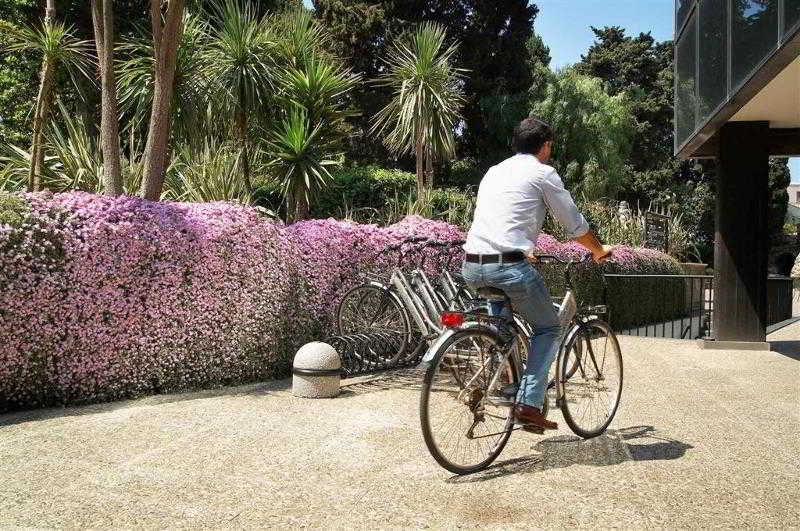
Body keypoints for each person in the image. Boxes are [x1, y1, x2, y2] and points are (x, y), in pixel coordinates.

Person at [462, 116, 612, 431]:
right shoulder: (543, 173)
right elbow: (574, 224)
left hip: (473, 265)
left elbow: (500, 219)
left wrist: (524, 247)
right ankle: (528, 404)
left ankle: (506, 382)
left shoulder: (493, 171)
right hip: (509, 267)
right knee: (549, 328)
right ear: (545, 146)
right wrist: (598, 250)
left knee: (505, 333)